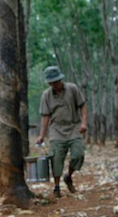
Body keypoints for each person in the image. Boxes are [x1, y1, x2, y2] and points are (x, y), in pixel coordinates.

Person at [36, 66, 88, 198]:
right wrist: (42, 135)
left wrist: (83, 123)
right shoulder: (46, 95)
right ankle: (57, 187)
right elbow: (45, 116)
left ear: (61, 79)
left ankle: (69, 176)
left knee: (78, 154)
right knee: (56, 158)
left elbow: (82, 105)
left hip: (74, 126)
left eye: (57, 81)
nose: (55, 85)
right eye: (52, 83)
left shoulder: (72, 89)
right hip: (56, 130)